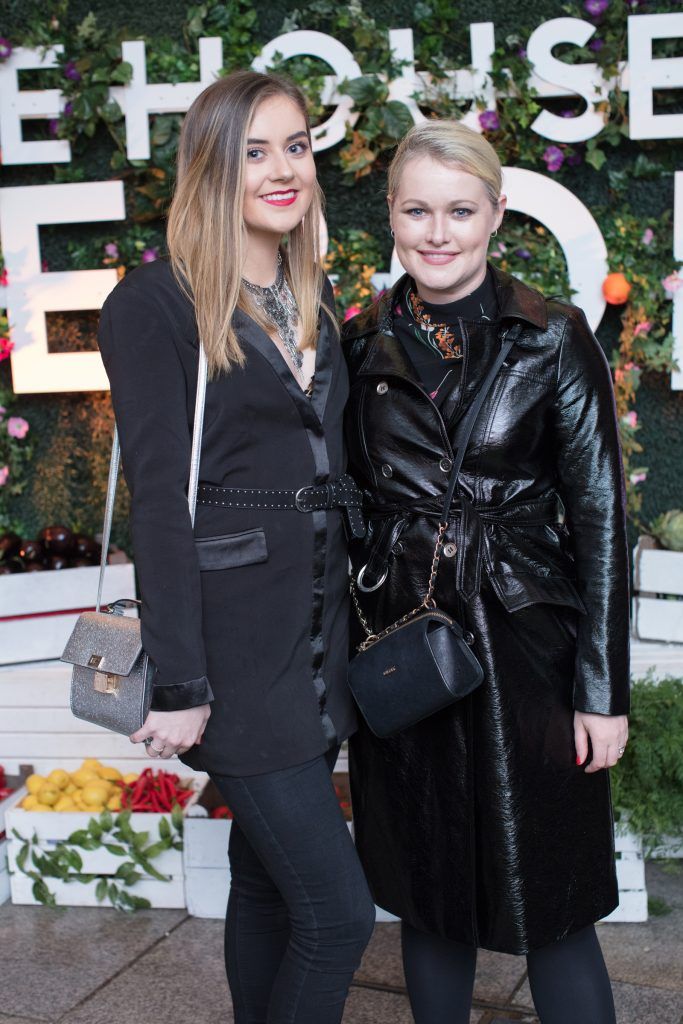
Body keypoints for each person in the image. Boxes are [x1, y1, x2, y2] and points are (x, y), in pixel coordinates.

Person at [98, 69, 375, 1024]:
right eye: (255, 150)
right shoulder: (155, 304)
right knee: (338, 916)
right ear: (212, 164)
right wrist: (180, 681)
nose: (282, 168)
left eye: (295, 145)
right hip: (232, 652)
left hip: (313, 642)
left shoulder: (313, 292)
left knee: (267, 889)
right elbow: (161, 502)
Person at [342, 119, 629, 1024]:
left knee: (554, 901)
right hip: (403, 644)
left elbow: (602, 519)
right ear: (389, 215)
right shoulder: (358, 345)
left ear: (496, 214)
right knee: (429, 901)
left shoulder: (555, 337)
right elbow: (345, 500)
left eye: (459, 210)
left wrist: (602, 692)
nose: (437, 233)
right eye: (416, 210)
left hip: (527, 654)